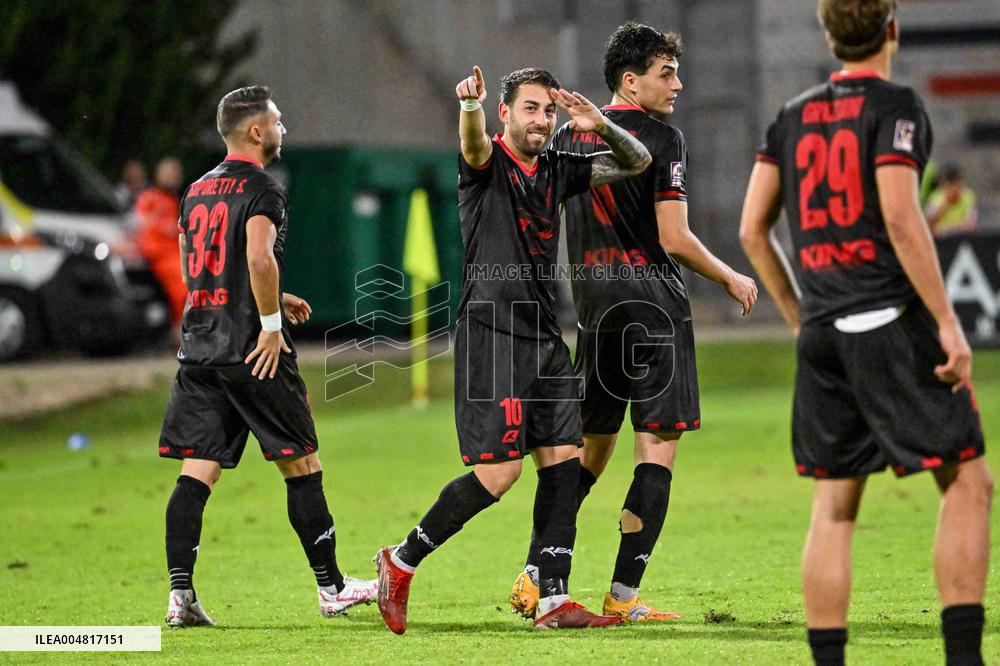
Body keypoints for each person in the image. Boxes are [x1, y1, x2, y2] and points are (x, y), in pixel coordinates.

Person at [738, 2, 991, 665]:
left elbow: (750, 230)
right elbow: (903, 219)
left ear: (829, 35)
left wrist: (799, 315)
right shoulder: (896, 105)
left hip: (824, 329)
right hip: (889, 320)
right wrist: (945, 322)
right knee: (967, 481)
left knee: (835, 504)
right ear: (892, 30)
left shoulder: (790, 115)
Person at [374, 66, 652, 634]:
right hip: (492, 335)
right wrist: (470, 108)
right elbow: (472, 144)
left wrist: (599, 123)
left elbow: (637, 162)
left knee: (563, 464)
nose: (542, 120)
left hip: (547, 337)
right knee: (499, 476)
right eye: (530, 108)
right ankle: (399, 562)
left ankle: (553, 600)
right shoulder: (486, 163)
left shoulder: (559, 168)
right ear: (506, 113)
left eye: (549, 111)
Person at [509, 22, 758, 623]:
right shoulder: (660, 140)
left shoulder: (564, 137)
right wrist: (729, 276)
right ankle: (621, 598)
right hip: (653, 310)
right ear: (630, 80)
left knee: (588, 451)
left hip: (595, 311)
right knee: (658, 449)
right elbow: (673, 237)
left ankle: (537, 571)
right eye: (665, 73)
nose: (678, 83)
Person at [158, 86, 377, 627]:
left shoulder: (197, 190)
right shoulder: (263, 187)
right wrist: (272, 326)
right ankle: (332, 588)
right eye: (278, 122)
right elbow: (257, 256)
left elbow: (201, 269)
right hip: (252, 350)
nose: (284, 130)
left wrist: (274, 296)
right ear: (256, 131)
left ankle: (180, 597)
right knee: (302, 463)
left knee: (197, 472)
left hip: (201, 349)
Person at [136, 157, 188, 330]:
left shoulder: (174, 199)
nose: (172, 178)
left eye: (175, 174)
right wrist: (164, 227)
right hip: (158, 252)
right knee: (183, 285)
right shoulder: (149, 197)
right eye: (168, 173)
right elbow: (140, 222)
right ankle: (181, 328)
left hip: (174, 251)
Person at [925, 164, 977, 237]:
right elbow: (929, 225)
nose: (954, 189)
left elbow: (970, 225)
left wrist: (945, 229)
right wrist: (946, 204)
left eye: (956, 184)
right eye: (950, 184)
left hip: (961, 238)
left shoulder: (967, 196)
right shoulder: (935, 197)